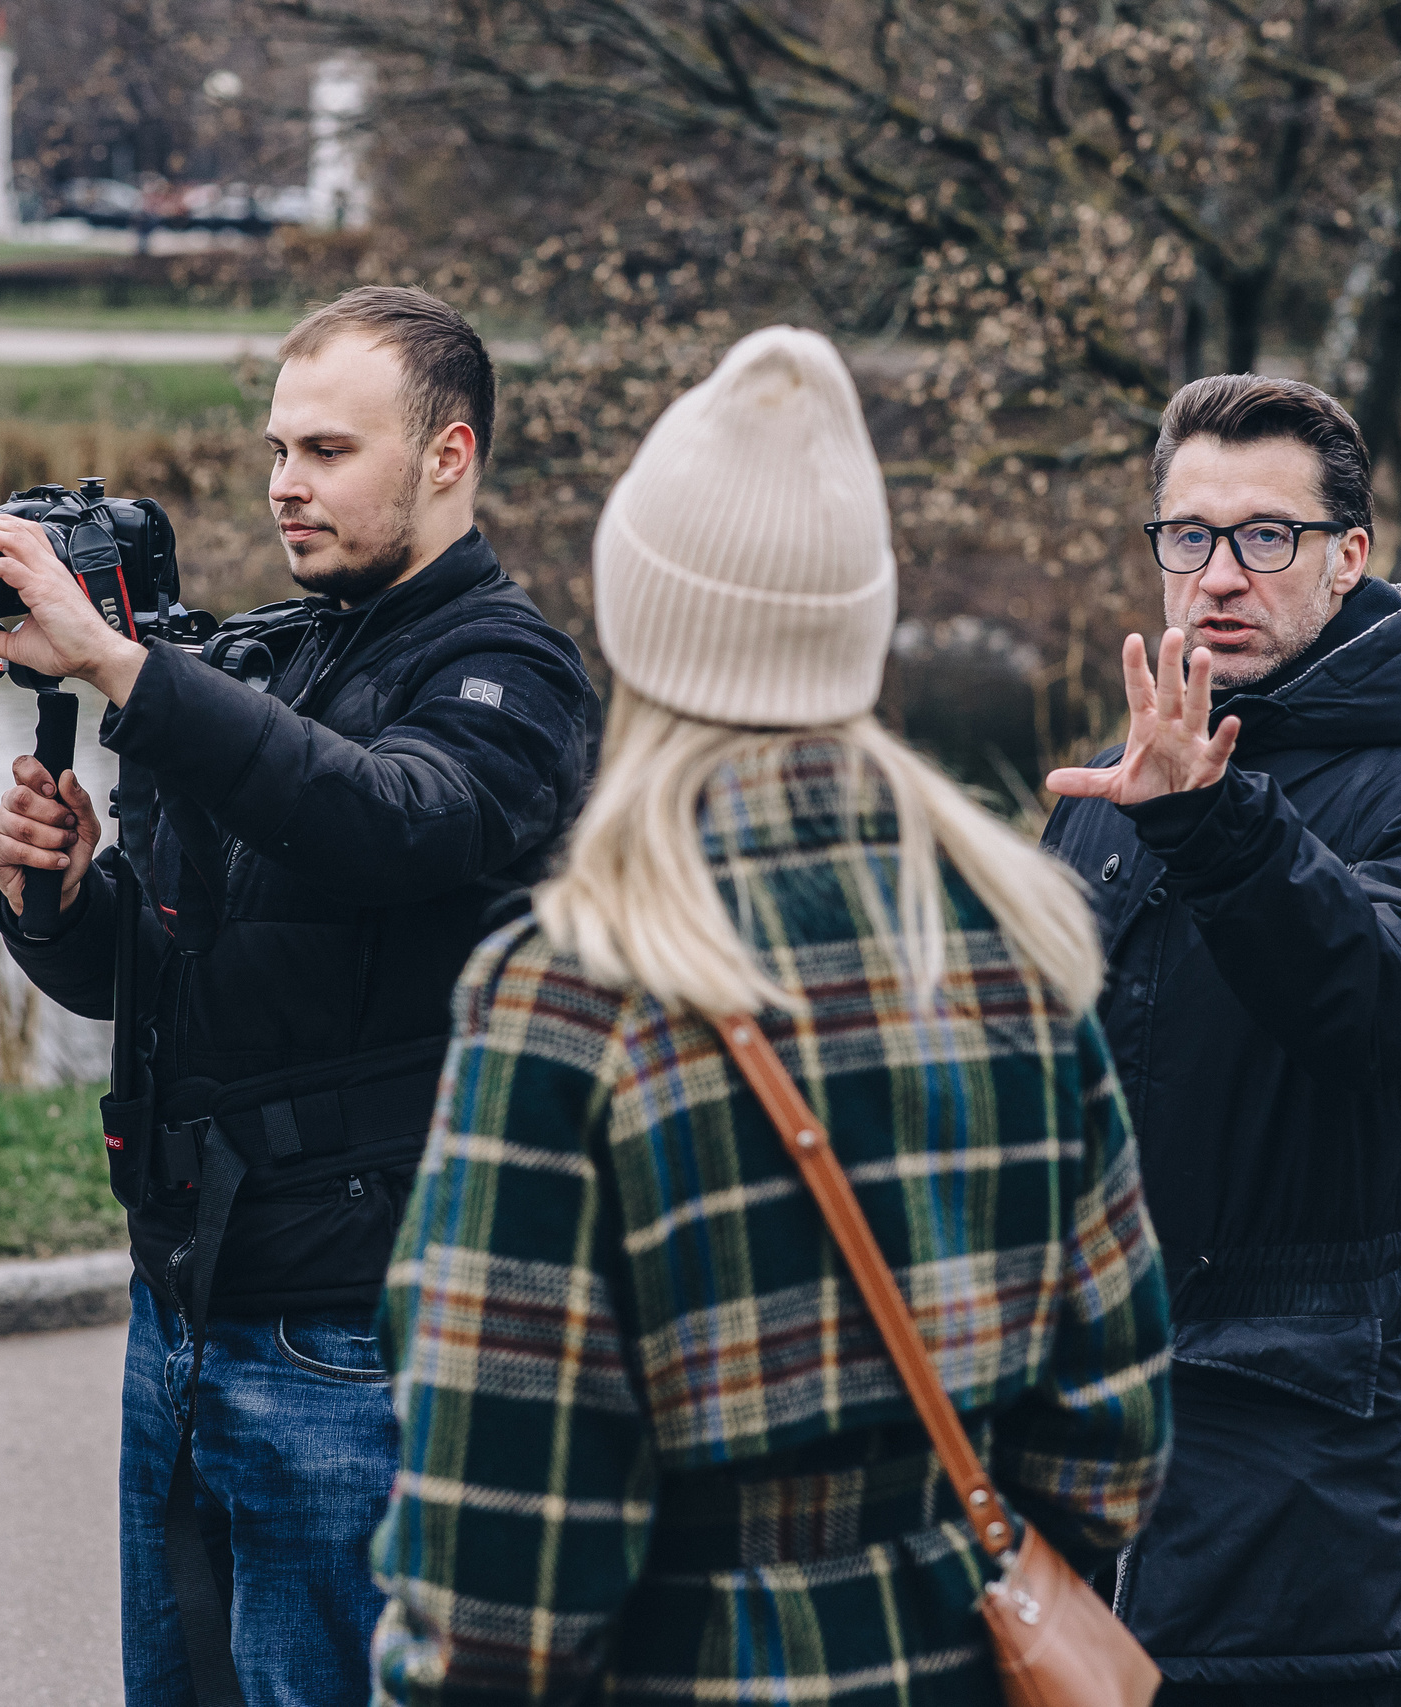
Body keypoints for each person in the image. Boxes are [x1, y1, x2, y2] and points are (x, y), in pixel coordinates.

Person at [367, 327, 1174, 1707]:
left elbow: (501, 1581)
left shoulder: (571, 997)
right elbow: (1113, 1445)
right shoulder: (1016, 952)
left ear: (645, 630)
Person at [0, 286, 599, 1707]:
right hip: (182, 1303)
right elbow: (172, 968)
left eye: (327, 450)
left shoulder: (511, 673)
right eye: (276, 448)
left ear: (448, 455)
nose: (284, 485)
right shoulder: (271, 654)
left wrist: (127, 670)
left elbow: (385, 824)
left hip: (353, 1338)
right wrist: (56, 899)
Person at [1040, 374, 1401, 1705]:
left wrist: (1211, 823)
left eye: (1267, 536)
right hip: (1089, 1443)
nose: (1218, 574)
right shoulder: (1122, 782)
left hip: (1302, 1465)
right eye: (1188, 536)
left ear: (1349, 558)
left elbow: (1385, 1004)